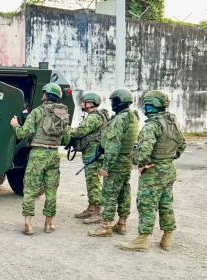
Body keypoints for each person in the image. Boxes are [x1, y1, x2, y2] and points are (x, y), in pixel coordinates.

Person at [119, 90, 186, 251]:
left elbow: (143, 152)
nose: (145, 107)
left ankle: (142, 240)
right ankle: (167, 238)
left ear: (152, 105)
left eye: (147, 104)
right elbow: (182, 145)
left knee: (146, 204)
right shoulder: (172, 121)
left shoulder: (152, 125)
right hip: (168, 169)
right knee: (165, 204)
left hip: (154, 172)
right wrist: (168, 158)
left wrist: (142, 162)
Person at [10, 83, 69, 235]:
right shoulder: (63, 113)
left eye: (43, 93)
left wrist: (16, 125)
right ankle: (49, 224)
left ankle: (28, 225)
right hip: (54, 154)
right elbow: (66, 139)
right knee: (51, 190)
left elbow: (24, 133)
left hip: (38, 154)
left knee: (30, 189)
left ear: (46, 95)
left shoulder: (38, 112)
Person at [89, 88, 139, 237]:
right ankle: (122, 223)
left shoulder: (119, 119)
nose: (112, 103)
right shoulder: (132, 117)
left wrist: (106, 167)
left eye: (113, 101)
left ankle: (106, 226)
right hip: (126, 160)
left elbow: (113, 145)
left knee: (109, 193)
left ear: (120, 101)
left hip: (116, 161)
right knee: (124, 192)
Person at [66, 92, 109, 224]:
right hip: (92, 153)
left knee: (93, 183)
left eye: (83, 102)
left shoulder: (94, 117)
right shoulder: (95, 116)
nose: (81, 104)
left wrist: (66, 129)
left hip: (93, 154)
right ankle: (91, 208)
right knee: (91, 182)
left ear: (90, 103)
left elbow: (80, 132)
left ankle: (97, 212)